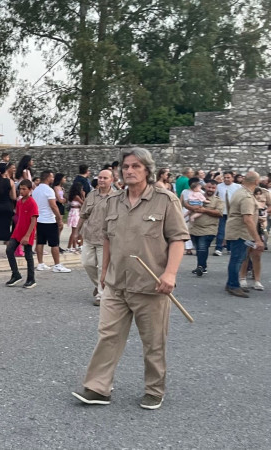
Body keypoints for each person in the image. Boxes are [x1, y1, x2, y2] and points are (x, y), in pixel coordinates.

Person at [73, 147, 188, 410]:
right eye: (126, 167)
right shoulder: (113, 202)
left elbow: (178, 239)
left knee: (153, 341)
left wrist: (170, 273)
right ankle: (98, 388)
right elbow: (107, 238)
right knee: (108, 336)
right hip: (116, 284)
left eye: (136, 166)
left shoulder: (166, 200)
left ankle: (154, 390)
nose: (129, 171)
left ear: (147, 170)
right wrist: (103, 272)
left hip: (151, 286)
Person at [76, 169, 114, 306]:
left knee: (102, 267)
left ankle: (101, 295)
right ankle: (99, 284)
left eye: (105, 178)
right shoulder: (91, 195)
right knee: (87, 263)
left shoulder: (117, 197)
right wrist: (76, 232)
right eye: (100, 177)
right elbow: (83, 215)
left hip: (105, 239)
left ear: (112, 180)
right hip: (89, 235)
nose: (102, 180)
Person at [224, 171, 264, 298]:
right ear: (256, 182)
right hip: (240, 232)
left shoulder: (240, 192)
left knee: (237, 258)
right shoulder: (246, 197)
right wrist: (258, 239)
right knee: (237, 259)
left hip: (237, 230)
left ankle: (231, 283)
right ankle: (233, 286)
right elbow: (247, 219)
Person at [33, 171, 71, 273]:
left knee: (40, 242)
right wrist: (59, 219)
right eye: (52, 177)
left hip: (39, 219)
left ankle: (40, 263)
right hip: (49, 219)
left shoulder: (35, 190)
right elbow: (53, 206)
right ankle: (57, 264)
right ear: (48, 178)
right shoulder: (49, 190)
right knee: (54, 243)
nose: (53, 179)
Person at [5, 180, 38, 289]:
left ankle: (31, 278)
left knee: (28, 255)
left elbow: (33, 220)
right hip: (18, 231)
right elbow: (18, 218)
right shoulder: (19, 202)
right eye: (21, 189)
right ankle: (16, 274)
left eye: (24, 189)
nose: (22, 191)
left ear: (30, 190)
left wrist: (28, 235)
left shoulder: (32, 203)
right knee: (9, 250)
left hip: (27, 232)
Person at [187, 179, 223, 277]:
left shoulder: (218, 201)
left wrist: (205, 210)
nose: (211, 189)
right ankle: (202, 266)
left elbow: (219, 213)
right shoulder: (197, 196)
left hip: (209, 229)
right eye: (209, 187)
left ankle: (201, 267)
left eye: (213, 188)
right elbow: (187, 204)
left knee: (202, 247)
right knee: (199, 248)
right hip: (195, 228)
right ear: (205, 187)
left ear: (216, 189)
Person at [240, 187, 270, 290]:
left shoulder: (263, 209)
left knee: (257, 256)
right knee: (245, 255)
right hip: (249, 232)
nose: (261, 201)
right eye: (258, 197)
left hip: (259, 232)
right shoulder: (250, 206)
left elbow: (265, 222)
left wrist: (263, 222)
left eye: (263, 200)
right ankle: (242, 278)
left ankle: (257, 280)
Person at [0, 162, 16, 259]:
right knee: (6, 229)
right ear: (6, 170)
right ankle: (8, 251)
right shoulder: (10, 182)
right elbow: (13, 196)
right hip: (8, 206)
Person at [214, 171, 241, 255]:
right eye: (225, 177)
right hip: (222, 212)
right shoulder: (219, 186)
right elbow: (215, 196)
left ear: (232, 178)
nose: (226, 179)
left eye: (228, 177)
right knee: (221, 230)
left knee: (231, 231)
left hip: (233, 212)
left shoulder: (238, 187)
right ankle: (218, 248)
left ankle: (230, 247)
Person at [66, 181, 85, 252]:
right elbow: (84, 203)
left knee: (75, 231)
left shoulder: (73, 196)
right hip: (75, 213)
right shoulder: (76, 196)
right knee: (74, 231)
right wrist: (83, 196)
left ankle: (74, 246)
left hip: (74, 212)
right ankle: (69, 247)